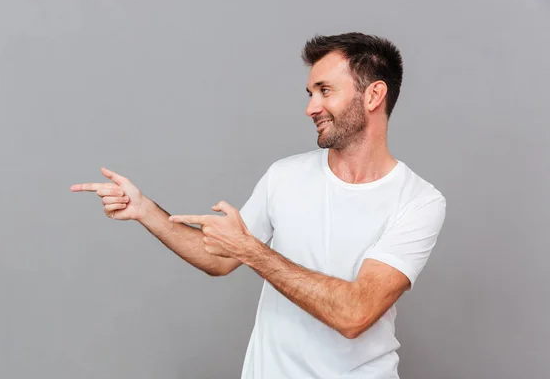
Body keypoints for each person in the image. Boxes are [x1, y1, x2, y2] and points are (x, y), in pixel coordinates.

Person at [71, 32, 447, 378]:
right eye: (309, 92)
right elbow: (219, 259)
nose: (311, 107)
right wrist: (144, 210)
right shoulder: (284, 176)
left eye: (325, 90)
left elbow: (354, 314)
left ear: (373, 96)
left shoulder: (418, 201)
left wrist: (252, 251)